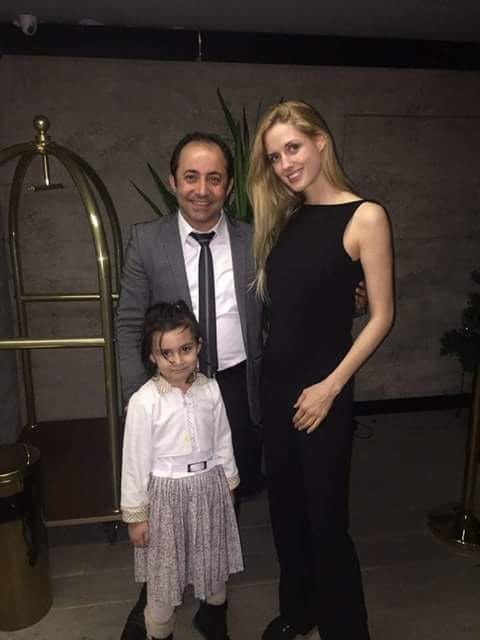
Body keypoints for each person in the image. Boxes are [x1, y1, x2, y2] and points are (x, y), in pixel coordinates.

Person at [247, 101, 394, 640]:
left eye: (293, 147)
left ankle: (344, 628)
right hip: (277, 383)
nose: (285, 163)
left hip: (324, 388)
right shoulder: (287, 217)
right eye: (275, 156)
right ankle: (298, 610)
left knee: (327, 520)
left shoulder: (366, 216)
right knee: (285, 511)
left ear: (321, 141)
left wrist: (330, 388)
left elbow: (383, 316)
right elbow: (309, 297)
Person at [116, 132, 264, 640]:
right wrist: (140, 397)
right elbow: (128, 322)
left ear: (229, 186)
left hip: (235, 386)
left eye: (214, 178)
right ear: (173, 181)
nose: (202, 189)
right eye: (192, 177)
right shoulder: (146, 240)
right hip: (169, 387)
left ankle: (212, 600)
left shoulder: (254, 238)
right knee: (162, 494)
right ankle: (154, 593)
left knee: (223, 494)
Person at [121, 300, 243, 640]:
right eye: (167, 353)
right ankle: (159, 631)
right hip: (165, 499)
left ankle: (213, 621)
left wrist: (229, 484)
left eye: (185, 349)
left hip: (208, 491)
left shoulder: (211, 389)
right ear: (152, 356)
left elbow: (222, 439)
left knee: (212, 564)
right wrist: (136, 516)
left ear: (198, 347)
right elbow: (133, 462)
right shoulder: (144, 401)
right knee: (164, 578)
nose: (177, 360)